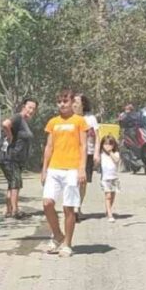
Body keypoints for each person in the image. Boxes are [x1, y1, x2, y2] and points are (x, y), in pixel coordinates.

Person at [40, 89, 88, 258]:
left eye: (65, 101)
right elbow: (49, 147)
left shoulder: (79, 121)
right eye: (59, 101)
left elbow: (83, 146)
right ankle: (58, 235)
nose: (62, 104)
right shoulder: (53, 122)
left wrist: (82, 168)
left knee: (68, 208)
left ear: (72, 102)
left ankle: (67, 243)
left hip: (72, 169)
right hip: (54, 168)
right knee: (47, 203)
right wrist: (44, 169)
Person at [0, 98, 37, 219]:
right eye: (29, 107)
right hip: (10, 157)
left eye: (33, 109)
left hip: (15, 158)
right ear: (23, 106)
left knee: (12, 183)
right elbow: (5, 124)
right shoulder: (18, 117)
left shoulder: (24, 122)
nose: (31, 110)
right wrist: (9, 136)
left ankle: (9, 210)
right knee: (15, 183)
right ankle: (15, 211)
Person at [73, 94, 100, 222]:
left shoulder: (91, 118)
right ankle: (72, 208)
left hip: (88, 153)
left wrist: (96, 153)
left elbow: (97, 137)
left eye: (76, 101)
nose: (73, 104)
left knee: (82, 183)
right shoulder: (69, 118)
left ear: (83, 104)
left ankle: (77, 208)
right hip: (72, 154)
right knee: (73, 182)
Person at [97, 134, 121, 222]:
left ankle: (108, 210)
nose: (108, 146)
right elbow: (96, 162)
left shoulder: (116, 153)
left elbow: (116, 160)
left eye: (110, 144)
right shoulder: (101, 154)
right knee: (108, 196)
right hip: (105, 178)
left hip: (114, 178)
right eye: (105, 144)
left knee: (113, 196)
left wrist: (110, 152)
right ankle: (110, 214)